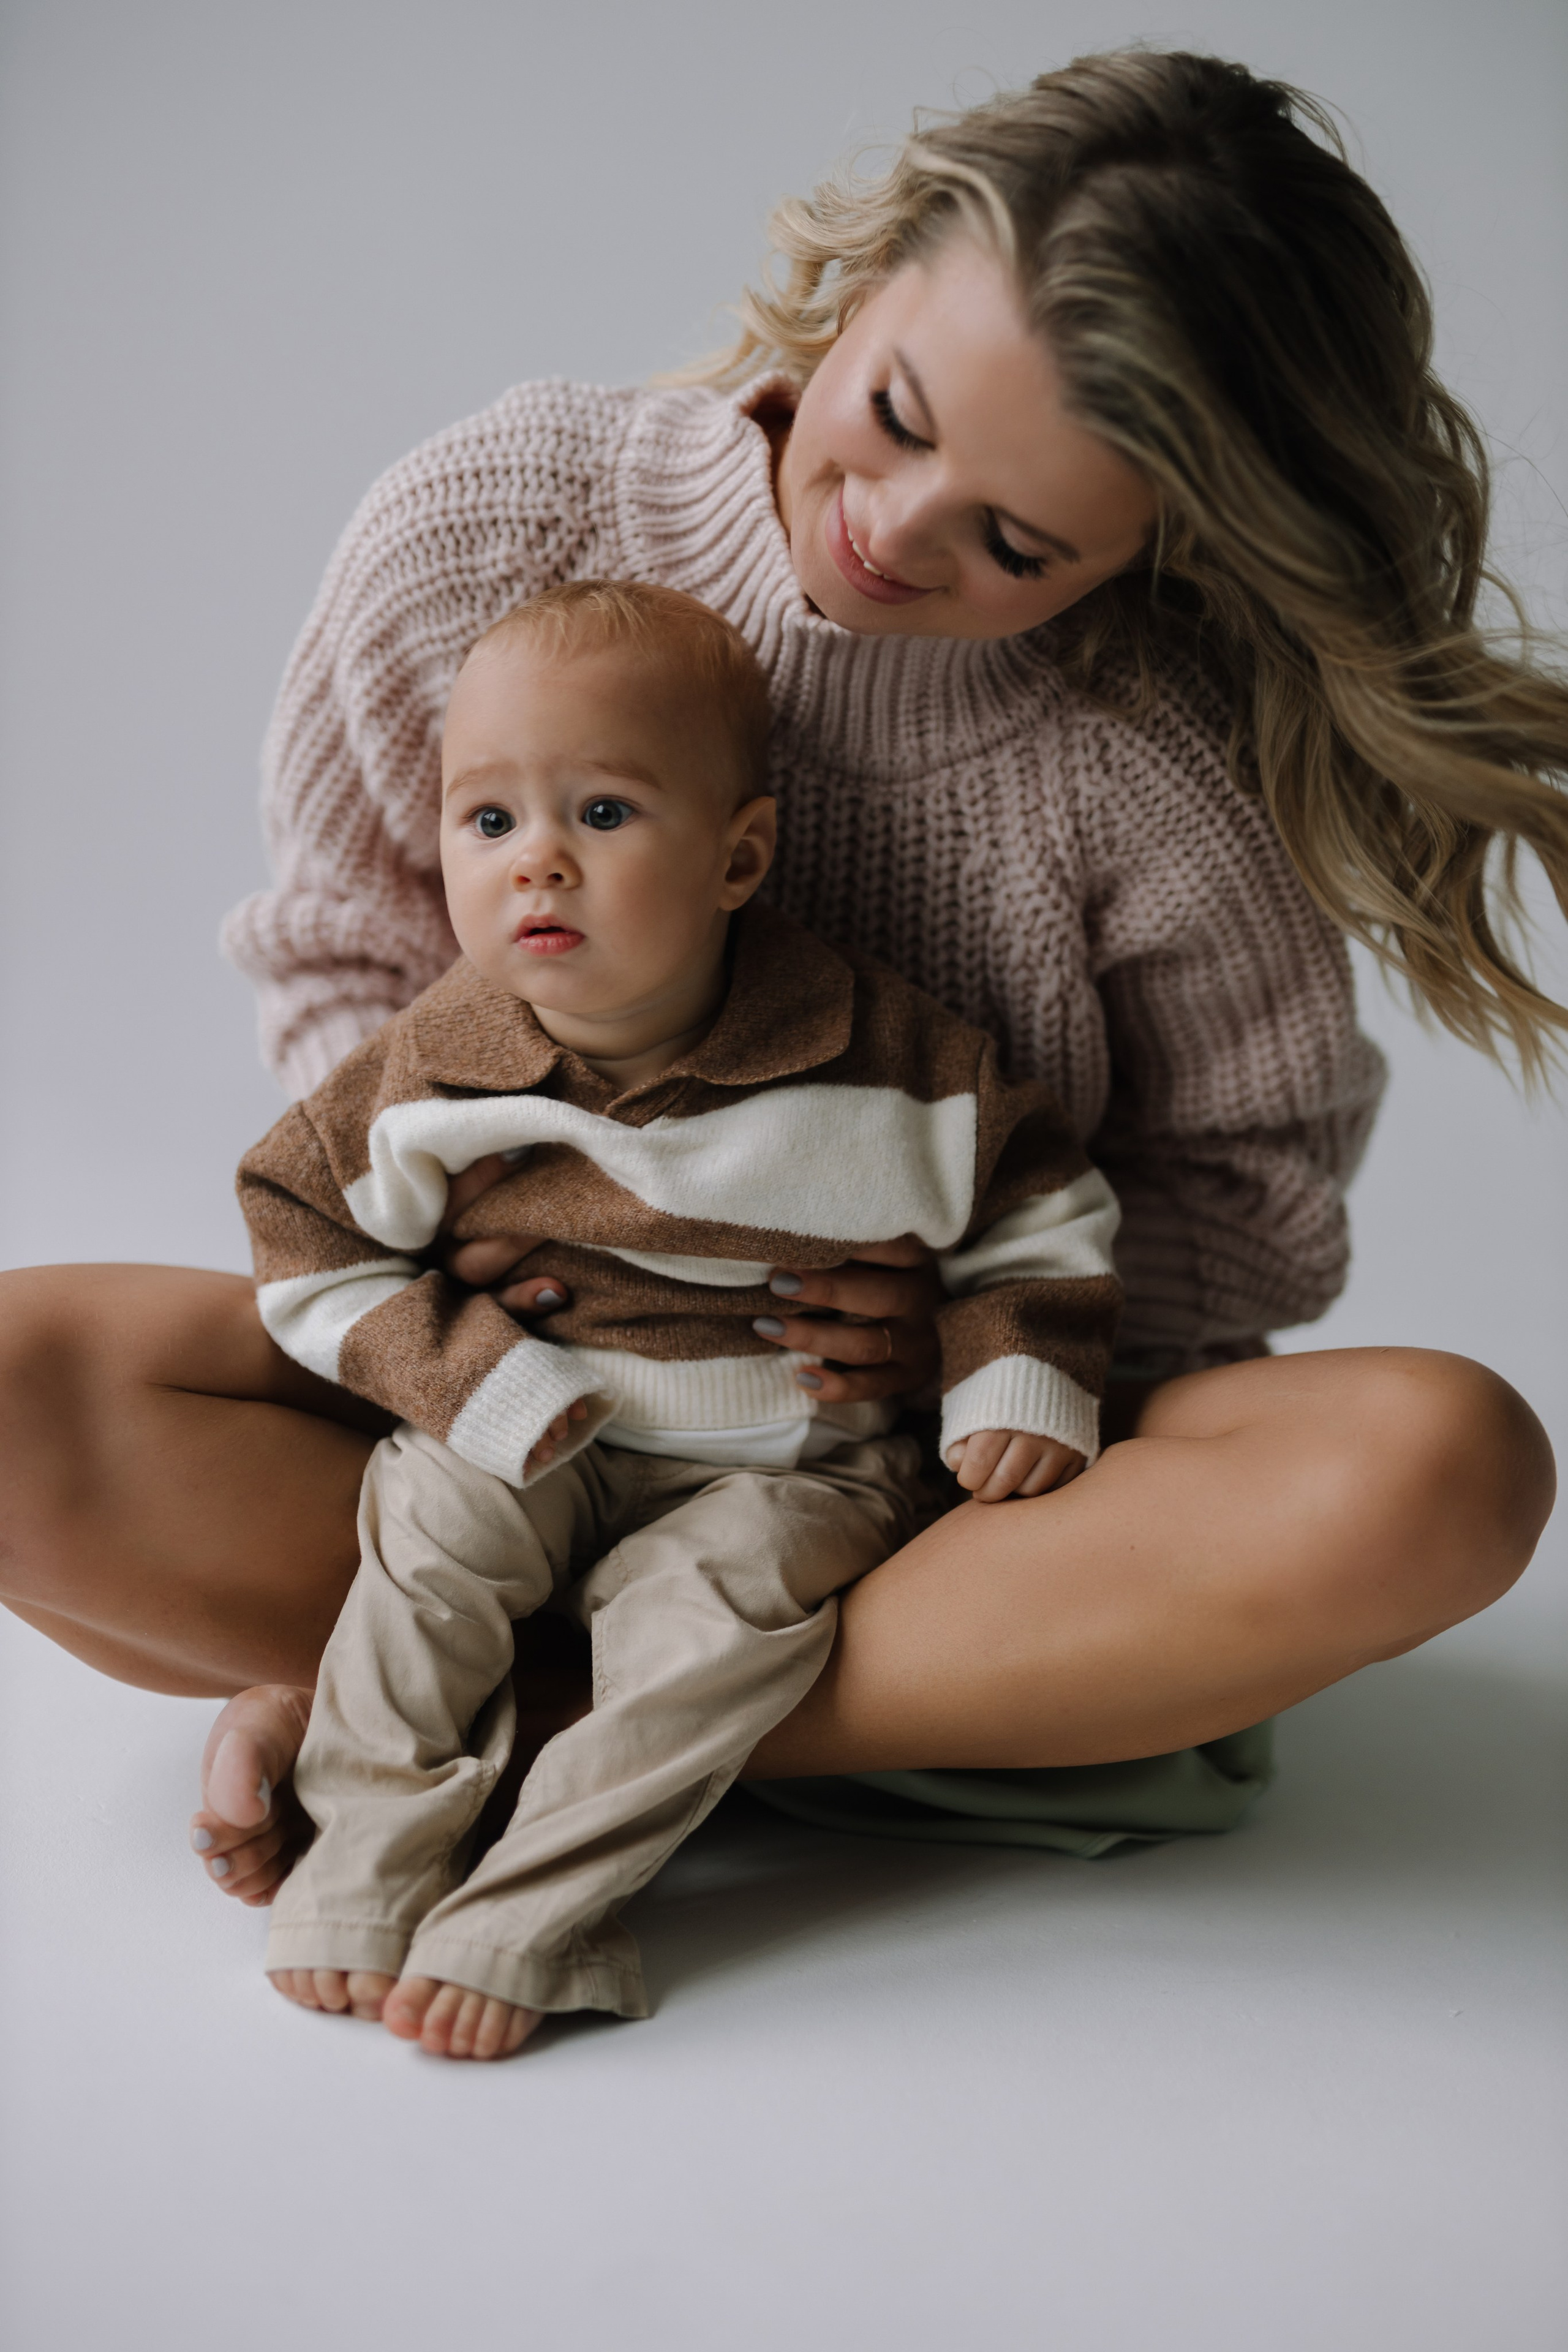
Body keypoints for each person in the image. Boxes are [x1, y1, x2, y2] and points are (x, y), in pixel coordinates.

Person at [2, 53, 1563, 1928]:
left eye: (1018, 541)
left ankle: (492, 1710)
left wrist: (974, 1349)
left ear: (1161, 545)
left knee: (1443, 1466)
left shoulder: (1148, 769)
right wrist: (453, 1261)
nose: (893, 529)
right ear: (879, 263)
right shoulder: (501, 524)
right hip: (504, 1405)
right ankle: (591, 1681)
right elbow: (347, 934)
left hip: (923, 1504)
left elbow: (1242, 1205)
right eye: (896, 416)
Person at [250, 578, 1121, 2057]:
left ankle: (535, 1914)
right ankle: (365, 1865)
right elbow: (301, 1238)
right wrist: (470, 1385)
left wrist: (1006, 1382)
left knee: (705, 1624)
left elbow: (1035, 1211)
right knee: (425, 1547)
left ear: (738, 858)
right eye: (489, 822)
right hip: (529, 1416)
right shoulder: (432, 1067)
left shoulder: (878, 1053)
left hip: (788, 1456)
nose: (536, 866)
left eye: (600, 816)